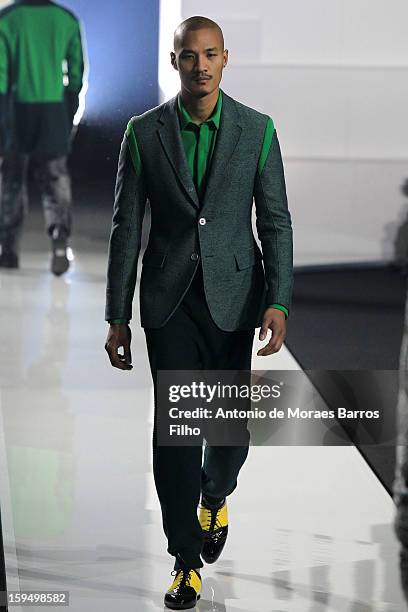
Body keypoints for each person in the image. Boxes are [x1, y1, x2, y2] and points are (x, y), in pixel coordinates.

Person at [105, 15, 293, 610]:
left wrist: (278, 299)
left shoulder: (257, 130)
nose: (201, 65)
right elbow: (125, 227)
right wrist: (117, 314)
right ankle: (184, 558)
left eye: (211, 54)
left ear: (226, 59)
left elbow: (276, 220)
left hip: (236, 300)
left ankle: (217, 492)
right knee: (177, 430)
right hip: (168, 303)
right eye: (190, 56)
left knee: (227, 432)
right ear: (175, 62)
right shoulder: (143, 133)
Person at [0, 0, 86, 274]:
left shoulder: (7, 18)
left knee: (12, 180)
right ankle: (60, 240)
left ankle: (8, 250)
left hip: (16, 108)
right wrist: (69, 108)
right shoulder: (66, 19)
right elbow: (76, 71)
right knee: (55, 177)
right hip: (53, 110)